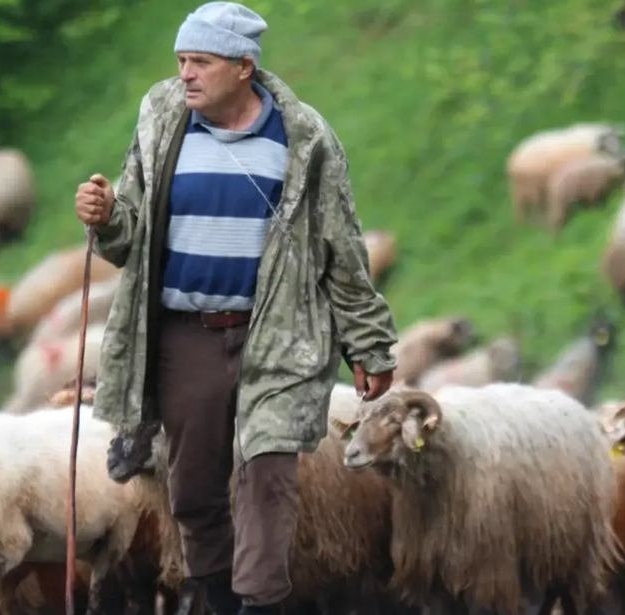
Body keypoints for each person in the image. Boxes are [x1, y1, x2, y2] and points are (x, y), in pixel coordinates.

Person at [72, 3, 400, 615]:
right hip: (185, 335)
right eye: (181, 61)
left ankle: (260, 604)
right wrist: (108, 216)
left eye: (200, 62)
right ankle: (220, 597)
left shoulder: (304, 137)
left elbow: (341, 245)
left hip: (276, 335)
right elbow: (130, 235)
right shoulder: (162, 117)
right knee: (193, 490)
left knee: (268, 476)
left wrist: (369, 344)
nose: (185, 74)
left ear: (243, 67)